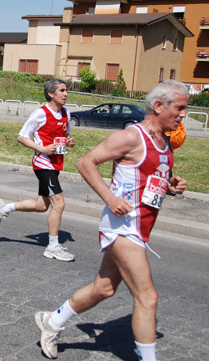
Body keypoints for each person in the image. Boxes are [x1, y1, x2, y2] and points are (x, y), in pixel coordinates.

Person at [34, 80, 188, 360]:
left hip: (140, 228)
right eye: (179, 108)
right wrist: (110, 198)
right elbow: (86, 163)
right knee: (148, 297)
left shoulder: (164, 141)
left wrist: (170, 184)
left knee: (103, 288)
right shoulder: (131, 136)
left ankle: (52, 321)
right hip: (122, 227)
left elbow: (147, 176)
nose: (183, 114)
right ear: (158, 106)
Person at [0, 79, 77, 262]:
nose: (66, 94)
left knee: (41, 206)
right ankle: (53, 247)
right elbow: (22, 137)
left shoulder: (66, 113)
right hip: (43, 163)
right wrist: (42, 149)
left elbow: (65, 134)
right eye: (62, 90)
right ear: (51, 94)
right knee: (59, 204)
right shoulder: (40, 114)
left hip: (56, 164)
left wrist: (68, 141)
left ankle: (4, 208)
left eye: (66, 90)